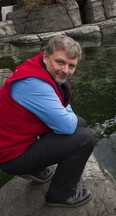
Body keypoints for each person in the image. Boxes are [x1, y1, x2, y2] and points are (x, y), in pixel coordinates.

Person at [0, 35, 96, 208]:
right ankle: (60, 195)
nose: (66, 70)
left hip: (15, 143)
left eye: (71, 66)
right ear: (45, 56)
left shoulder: (39, 67)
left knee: (79, 123)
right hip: (10, 156)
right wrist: (66, 118)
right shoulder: (34, 83)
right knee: (85, 138)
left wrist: (67, 117)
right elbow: (66, 125)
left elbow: (64, 111)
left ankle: (33, 168)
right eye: (60, 62)